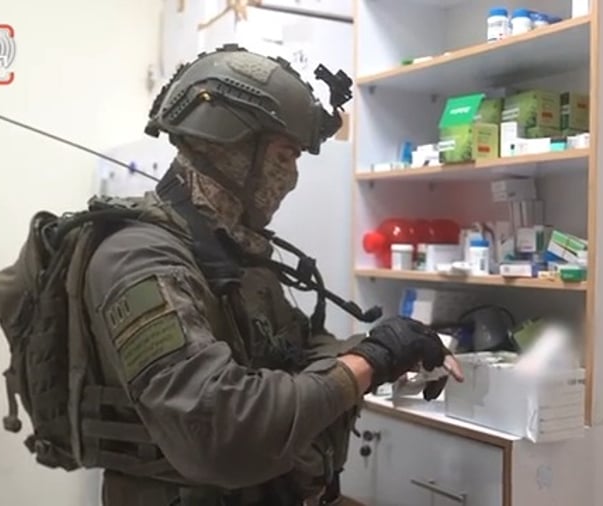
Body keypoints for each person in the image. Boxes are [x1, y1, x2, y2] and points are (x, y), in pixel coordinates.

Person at [60, 45, 460, 505]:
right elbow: (220, 429)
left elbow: (299, 351)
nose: (291, 178)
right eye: (284, 156)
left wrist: (396, 349)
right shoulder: (139, 260)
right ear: (229, 147)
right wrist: (374, 359)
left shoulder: (231, 252)